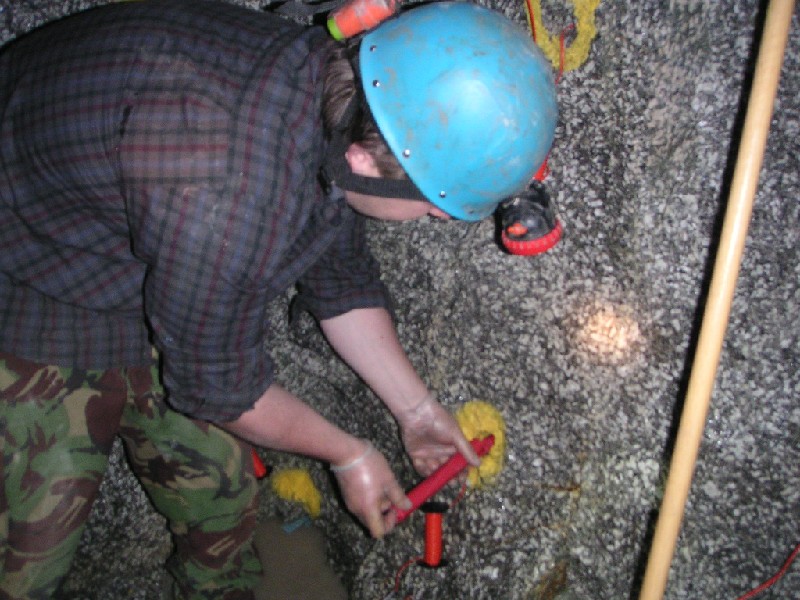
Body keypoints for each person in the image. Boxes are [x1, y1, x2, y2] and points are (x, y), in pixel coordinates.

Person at [0, 0, 557, 598]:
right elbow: (217, 387)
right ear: (363, 162)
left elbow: (339, 279)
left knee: (221, 487)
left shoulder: (335, 96)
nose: (437, 217)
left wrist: (417, 413)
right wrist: (348, 455)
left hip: (137, 236)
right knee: (31, 556)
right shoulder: (224, 193)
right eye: (432, 204)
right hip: (26, 261)